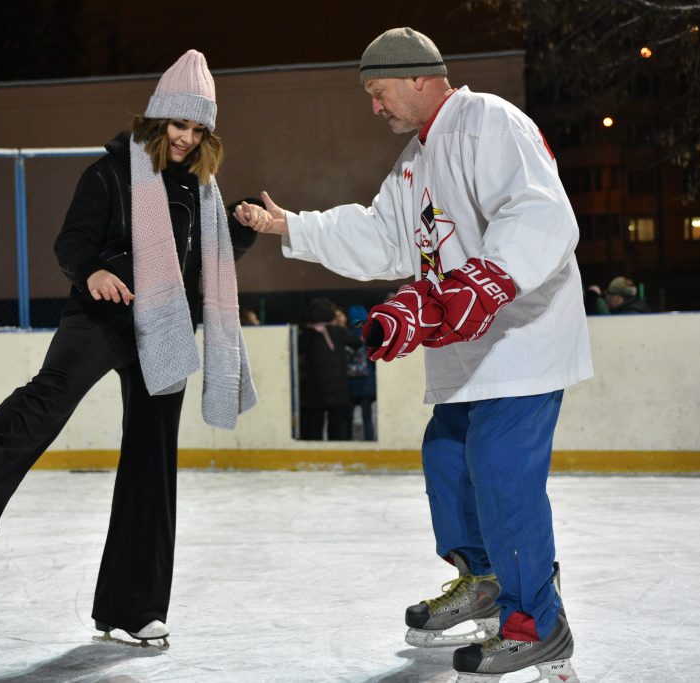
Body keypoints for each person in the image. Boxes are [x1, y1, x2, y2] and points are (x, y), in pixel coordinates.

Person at [236, 28, 592, 682]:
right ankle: (485, 580)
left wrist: (484, 281)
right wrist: (294, 227)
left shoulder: (489, 122)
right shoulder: (415, 159)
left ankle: (536, 624)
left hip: (522, 341)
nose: (374, 107)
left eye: (378, 91)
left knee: (499, 471)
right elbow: (382, 238)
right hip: (465, 352)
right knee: (448, 461)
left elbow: (542, 214)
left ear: (418, 76)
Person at [0, 50, 259, 648]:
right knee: (52, 394)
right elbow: (71, 244)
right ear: (157, 118)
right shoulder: (109, 174)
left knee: (153, 467)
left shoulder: (201, 193)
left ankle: (133, 608)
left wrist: (241, 230)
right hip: (103, 314)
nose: (186, 138)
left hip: (166, 329)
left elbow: (202, 269)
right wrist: (93, 271)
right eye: (179, 124)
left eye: (199, 129)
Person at [297, 297, 362, 440]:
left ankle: (314, 448)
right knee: (338, 423)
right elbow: (357, 343)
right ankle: (338, 446)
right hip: (338, 387)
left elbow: (293, 350)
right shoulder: (339, 331)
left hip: (315, 387)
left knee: (315, 422)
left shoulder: (306, 335)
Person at [345, 304, 377, 441]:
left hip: (349, 381)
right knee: (367, 417)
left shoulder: (346, 334)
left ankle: (347, 441)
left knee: (348, 417)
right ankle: (369, 439)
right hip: (367, 381)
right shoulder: (370, 334)